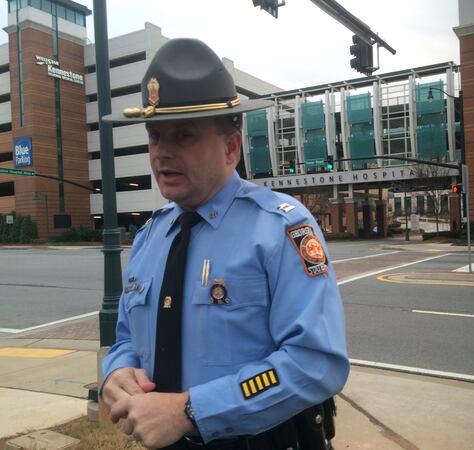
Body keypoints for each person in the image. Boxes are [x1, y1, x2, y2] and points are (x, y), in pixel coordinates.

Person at [100, 38, 349, 450]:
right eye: (155, 135)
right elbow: (126, 337)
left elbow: (315, 361)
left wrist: (190, 410)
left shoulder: (280, 229)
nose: (161, 153)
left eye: (182, 135)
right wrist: (117, 372)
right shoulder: (150, 237)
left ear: (231, 147)